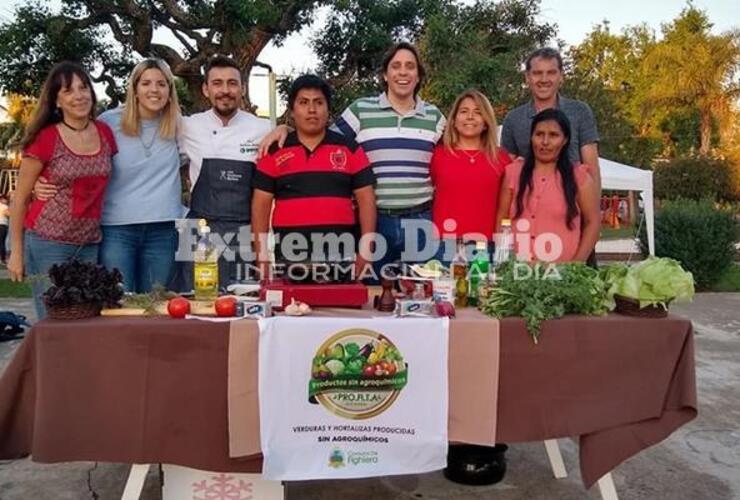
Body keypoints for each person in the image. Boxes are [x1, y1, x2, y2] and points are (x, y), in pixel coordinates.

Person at [259, 42, 445, 280]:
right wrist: (285, 128)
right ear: (385, 74)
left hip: (420, 222)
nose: (403, 72)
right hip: (377, 221)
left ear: (418, 75)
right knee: (374, 299)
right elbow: (321, 135)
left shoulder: (435, 117)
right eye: (396, 66)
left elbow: (453, 158)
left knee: (423, 295)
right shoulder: (360, 111)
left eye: (410, 66)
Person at [36, 59, 183, 292]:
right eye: (146, 83)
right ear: (134, 89)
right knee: (117, 303)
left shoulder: (179, 125)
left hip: (163, 230)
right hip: (117, 230)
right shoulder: (108, 122)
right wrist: (38, 180)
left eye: (162, 84)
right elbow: (76, 156)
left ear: (169, 91)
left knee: (155, 305)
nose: (154, 90)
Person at [7, 62, 117, 318]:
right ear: (57, 101)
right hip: (48, 241)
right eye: (68, 91)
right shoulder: (45, 138)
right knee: (53, 319)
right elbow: (20, 198)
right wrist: (16, 251)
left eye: (83, 88)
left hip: (89, 242)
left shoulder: (105, 133)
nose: (79, 96)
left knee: (86, 318)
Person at [252, 75, 376, 280]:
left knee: (342, 309)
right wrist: (261, 256)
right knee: (291, 310)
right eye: (303, 103)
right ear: (292, 111)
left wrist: (366, 249)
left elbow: (367, 200)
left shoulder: (350, 149)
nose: (312, 110)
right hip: (291, 255)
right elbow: (260, 207)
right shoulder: (274, 152)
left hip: (341, 256)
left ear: (328, 109)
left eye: (319, 102)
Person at [177, 55, 272, 289]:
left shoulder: (263, 128)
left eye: (232, 83)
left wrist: (284, 127)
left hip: (245, 233)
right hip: (199, 231)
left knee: (244, 302)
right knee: (197, 299)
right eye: (217, 83)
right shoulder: (187, 126)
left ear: (242, 88)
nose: (225, 90)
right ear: (206, 89)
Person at [496, 108, 600, 263]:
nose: (545, 142)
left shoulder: (579, 177)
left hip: (561, 275)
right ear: (531, 138)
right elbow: (501, 219)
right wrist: (504, 260)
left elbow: (593, 223)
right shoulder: (513, 173)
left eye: (553, 135)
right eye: (539, 134)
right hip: (517, 272)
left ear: (565, 140)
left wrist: (576, 265)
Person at [500, 47, 601, 188]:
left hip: (574, 204)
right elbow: (506, 172)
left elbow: (592, 169)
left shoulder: (580, 112)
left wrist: (593, 208)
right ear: (527, 77)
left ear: (561, 76)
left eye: (551, 73)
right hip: (528, 205)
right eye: (537, 73)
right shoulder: (513, 119)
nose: (544, 79)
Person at [431, 89, 511, 263]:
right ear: (453, 120)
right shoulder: (438, 155)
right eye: (464, 111)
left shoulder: (501, 158)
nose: (470, 117)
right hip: (444, 246)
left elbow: (507, 206)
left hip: (485, 246)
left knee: (481, 291)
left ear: (486, 122)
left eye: (478, 112)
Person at [0, 195, 9, 264]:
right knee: (2, 242)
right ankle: (2, 258)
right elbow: (9, 214)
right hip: (3, 225)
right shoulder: (4, 206)